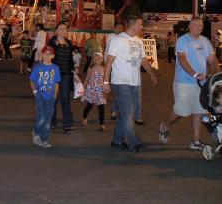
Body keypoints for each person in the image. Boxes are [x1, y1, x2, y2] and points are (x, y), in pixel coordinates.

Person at [159, 16, 218, 151]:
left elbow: (213, 60)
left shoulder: (205, 41)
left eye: (201, 26)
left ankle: (195, 141)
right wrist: (194, 74)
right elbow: (182, 59)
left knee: (199, 111)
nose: (198, 28)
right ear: (190, 27)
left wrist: (217, 75)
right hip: (184, 82)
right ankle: (165, 125)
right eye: (196, 25)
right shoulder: (183, 40)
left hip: (201, 84)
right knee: (181, 111)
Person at [103, 15, 157, 152]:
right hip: (121, 82)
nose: (141, 27)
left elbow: (143, 60)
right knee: (128, 114)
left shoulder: (139, 41)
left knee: (125, 112)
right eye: (139, 24)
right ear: (132, 25)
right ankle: (134, 142)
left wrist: (151, 74)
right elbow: (108, 62)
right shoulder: (117, 40)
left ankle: (117, 140)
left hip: (135, 82)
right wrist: (105, 82)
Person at [29, 46, 60, 148]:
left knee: (48, 119)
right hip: (40, 96)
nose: (46, 56)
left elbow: (56, 83)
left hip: (50, 97)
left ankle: (45, 139)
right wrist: (35, 92)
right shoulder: (38, 67)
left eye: (49, 54)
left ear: (53, 56)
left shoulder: (55, 68)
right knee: (41, 117)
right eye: (45, 54)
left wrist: (55, 96)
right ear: (41, 55)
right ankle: (37, 133)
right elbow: (32, 80)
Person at [48, 22, 74, 132]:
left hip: (66, 74)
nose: (63, 31)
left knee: (65, 98)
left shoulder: (69, 42)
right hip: (54, 74)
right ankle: (51, 121)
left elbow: (70, 59)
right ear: (56, 30)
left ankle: (67, 122)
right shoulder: (52, 42)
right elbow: (47, 56)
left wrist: (73, 70)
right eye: (61, 29)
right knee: (53, 98)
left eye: (65, 29)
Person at [82, 52, 106, 131]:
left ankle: (102, 124)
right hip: (91, 89)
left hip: (100, 90)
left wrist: (106, 89)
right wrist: (83, 88)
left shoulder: (104, 69)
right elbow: (86, 79)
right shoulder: (90, 69)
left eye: (98, 58)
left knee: (101, 107)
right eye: (94, 58)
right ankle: (84, 117)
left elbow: (106, 80)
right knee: (89, 106)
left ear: (102, 59)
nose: (96, 60)